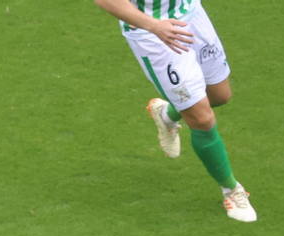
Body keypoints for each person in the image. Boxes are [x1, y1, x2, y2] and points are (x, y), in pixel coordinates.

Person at [93, 0, 255, 221]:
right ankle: (232, 190)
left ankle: (166, 114)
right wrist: (153, 25)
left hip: (192, 14)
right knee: (202, 119)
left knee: (219, 95)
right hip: (153, 33)